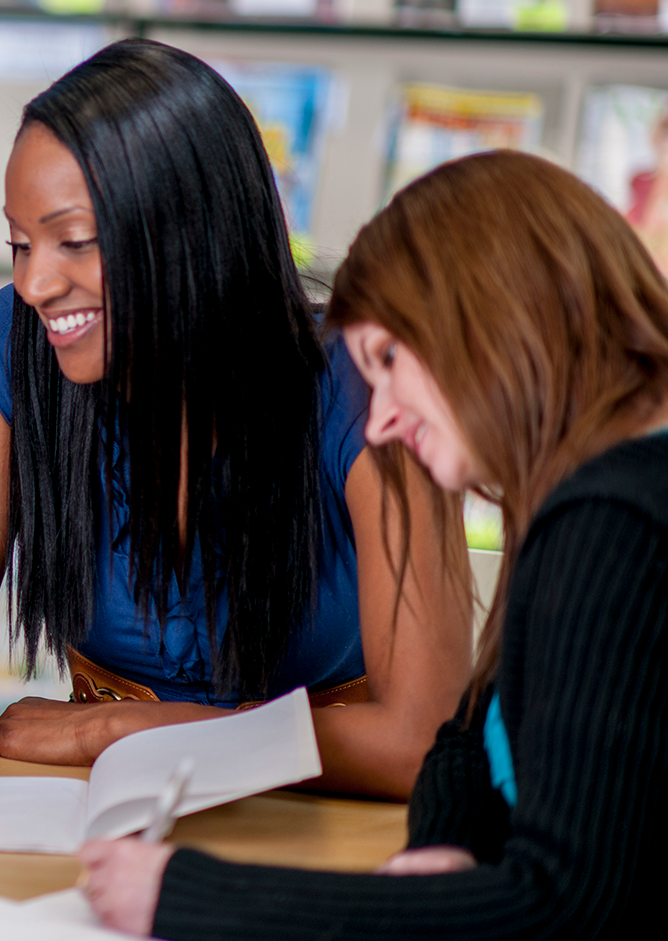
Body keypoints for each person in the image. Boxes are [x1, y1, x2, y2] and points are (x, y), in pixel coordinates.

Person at [0, 38, 472, 828]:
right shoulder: (10, 352)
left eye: (74, 241)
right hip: (92, 820)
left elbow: (420, 743)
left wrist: (120, 727)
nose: (35, 283)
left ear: (193, 231)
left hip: (327, 825)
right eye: (19, 244)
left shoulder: (371, 386)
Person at [79, 149, 668, 940]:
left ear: (495, 314)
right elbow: (469, 736)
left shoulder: (614, 522)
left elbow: (561, 906)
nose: (383, 420)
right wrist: (446, 844)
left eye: (390, 361)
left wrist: (191, 898)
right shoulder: (581, 485)